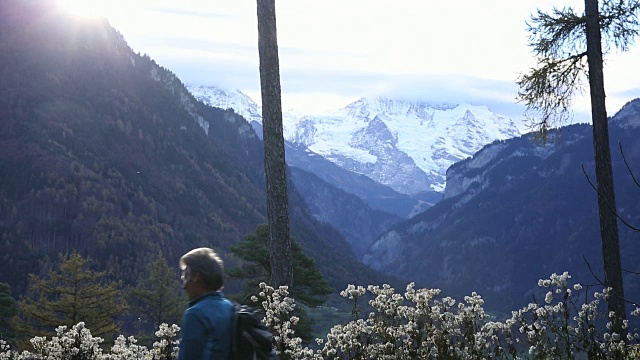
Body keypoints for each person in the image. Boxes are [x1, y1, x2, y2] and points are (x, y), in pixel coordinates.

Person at [178, 248, 234, 360]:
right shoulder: (230, 307)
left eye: (186, 275)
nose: (184, 284)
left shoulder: (196, 314)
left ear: (196, 277)